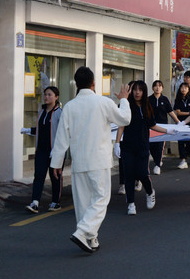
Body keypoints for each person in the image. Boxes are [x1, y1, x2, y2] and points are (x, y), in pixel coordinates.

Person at [50, 66, 132, 253]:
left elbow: (61, 138)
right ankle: (84, 232)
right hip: (99, 160)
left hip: (79, 161)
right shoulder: (103, 102)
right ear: (94, 83)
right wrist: (124, 100)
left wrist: (56, 163)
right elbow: (125, 119)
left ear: (76, 84)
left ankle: (91, 238)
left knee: (83, 203)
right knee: (101, 199)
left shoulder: (69, 106)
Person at [114, 81, 176, 215]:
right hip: (127, 146)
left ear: (144, 92)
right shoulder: (125, 105)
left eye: (140, 90)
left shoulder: (147, 106)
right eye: (134, 90)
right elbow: (121, 126)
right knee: (129, 174)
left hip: (142, 146)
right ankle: (131, 204)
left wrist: (167, 131)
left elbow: (152, 125)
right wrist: (117, 143)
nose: (137, 93)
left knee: (142, 173)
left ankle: (149, 191)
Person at [22, 86, 63, 213]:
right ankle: (35, 202)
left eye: (50, 95)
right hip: (41, 150)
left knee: (55, 176)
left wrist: (57, 149)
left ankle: (55, 202)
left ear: (56, 97)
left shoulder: (59, 113)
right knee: (38, 175)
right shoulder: (42, 111)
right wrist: (29, 130)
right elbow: (42, 129)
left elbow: (63, 133)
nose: (46, 97)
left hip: (54, 151)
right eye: (45, 94)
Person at [148, 80, 180, 175]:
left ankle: (157, 165)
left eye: (160, 86)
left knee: (160, 146)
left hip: (163, 127)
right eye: (156, 86)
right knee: (151, 146)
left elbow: (170, 112)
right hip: (151, 126)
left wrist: (178, 122)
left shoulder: (165, 99)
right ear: (152, 88)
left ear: (162, 88)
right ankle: (157, 160)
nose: (157, 87)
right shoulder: (148, 99)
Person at [174, 82, 190, 169]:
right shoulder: (177, 100)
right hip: (180, 123)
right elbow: (178, 112)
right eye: (182, 87)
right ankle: (183, 160)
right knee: (181, 142)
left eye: (185, 87)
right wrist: (189, 113)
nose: (183, 89)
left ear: (188, 89)